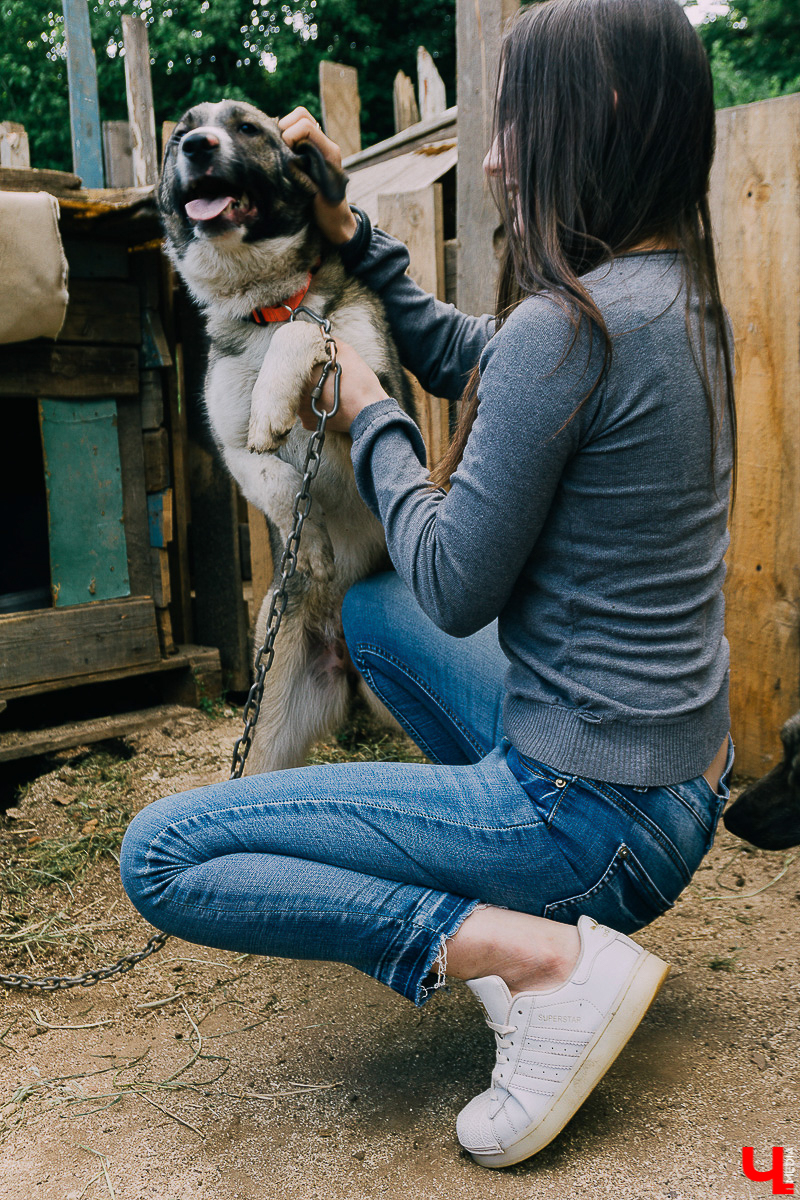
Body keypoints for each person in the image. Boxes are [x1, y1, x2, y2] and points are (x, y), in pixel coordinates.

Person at [121, 0, 736, 1169]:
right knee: (365, 609)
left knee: (163, 855)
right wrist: (352, 232)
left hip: (587, 820)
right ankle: (519, 888)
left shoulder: (570, 329)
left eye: (515, 125)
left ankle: (543, 960)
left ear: (600, 117)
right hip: (678, 780)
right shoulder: (669, 297)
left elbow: (452, 584)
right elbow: (475, 358)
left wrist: (369, 411)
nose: (493, 158)